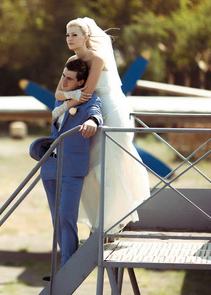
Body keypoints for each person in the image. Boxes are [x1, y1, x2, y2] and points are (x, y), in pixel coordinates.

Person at [54, 17, 150, 233]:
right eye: (68, 35)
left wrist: (62, 107)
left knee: (107, 165)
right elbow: (58, 92)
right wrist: (67, 99)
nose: (69, 38)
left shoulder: (97, 59)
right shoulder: (71, 60)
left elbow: (87, 93)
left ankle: (110, 224)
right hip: (86, 113)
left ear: (86, 37)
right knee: (89, 168)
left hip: (109, 112)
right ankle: (99, 222)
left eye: (74, 35)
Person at [29, 59, 103, 271]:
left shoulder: (91, 101)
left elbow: (96, 114)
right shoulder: (60, 101)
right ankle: (67, 260)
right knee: (56, 219)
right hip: (50, 166)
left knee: (66, 216)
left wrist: (92, 122)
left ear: (81, 82)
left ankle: (67, 265)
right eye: (63, 76)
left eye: (69, 78)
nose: (63, 81)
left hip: (72, 167)